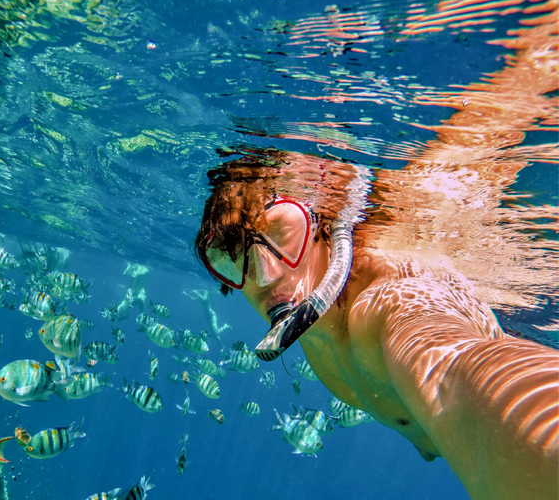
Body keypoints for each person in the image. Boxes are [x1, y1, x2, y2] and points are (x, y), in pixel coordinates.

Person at [194, 151, 558, 500]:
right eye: (233, 254)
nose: (266, 275)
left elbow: (454, 371)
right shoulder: (311, 311)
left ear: (324, 223)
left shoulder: (387, 302)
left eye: (281, 231)